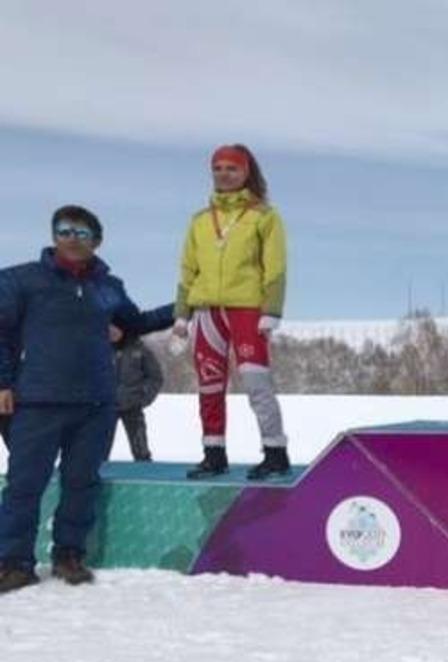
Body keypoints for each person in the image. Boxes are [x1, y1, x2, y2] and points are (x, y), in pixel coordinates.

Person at [0, 206, 173, 593]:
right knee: (25, 484)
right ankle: (14, 562)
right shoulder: (20, 280)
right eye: (64, 230)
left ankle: (69, 554)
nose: (72, 237)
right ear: (53, 235)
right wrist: (3, 383)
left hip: (96, 403)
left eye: (81, 231)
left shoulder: (108, 287)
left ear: (96, 240)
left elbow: (136, 323)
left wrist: (182, 307)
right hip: (37, 400)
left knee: (82, 482)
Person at [172, 144, 290, 479]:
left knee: (256, 383)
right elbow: (187, 270)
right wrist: (182, 315)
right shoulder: (199, 221)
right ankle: (214, 453)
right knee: (209, 385)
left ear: (246, 172)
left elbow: (276, 267)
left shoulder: (264, 216)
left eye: (232, 168)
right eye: (218, 168)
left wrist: (272, 309)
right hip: (207, 313)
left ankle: (275, 452)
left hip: (247, 311)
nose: (224, 174)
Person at [111, 329, 164, 461]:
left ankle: (145, 475)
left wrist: (144, 397)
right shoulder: (99, 348)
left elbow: (156, 377)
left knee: (141, 451)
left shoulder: (141, 350)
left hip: (132, 406)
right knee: (97, 451)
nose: (112, 332)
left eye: (116, 328)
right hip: (104, 408)